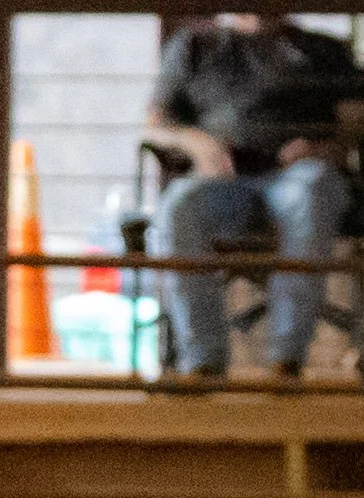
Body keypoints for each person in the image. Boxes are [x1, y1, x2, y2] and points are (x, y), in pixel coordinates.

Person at [145, 14, 364, 380]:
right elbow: (156, 124)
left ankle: (286, 360)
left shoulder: (322, 49)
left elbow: (355, 118)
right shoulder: (194, 45)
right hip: (223, 182)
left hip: (298, 176)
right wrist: (198, 144)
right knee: (180, 206)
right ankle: (201, 361)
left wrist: (324, 148)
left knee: (313, 190)